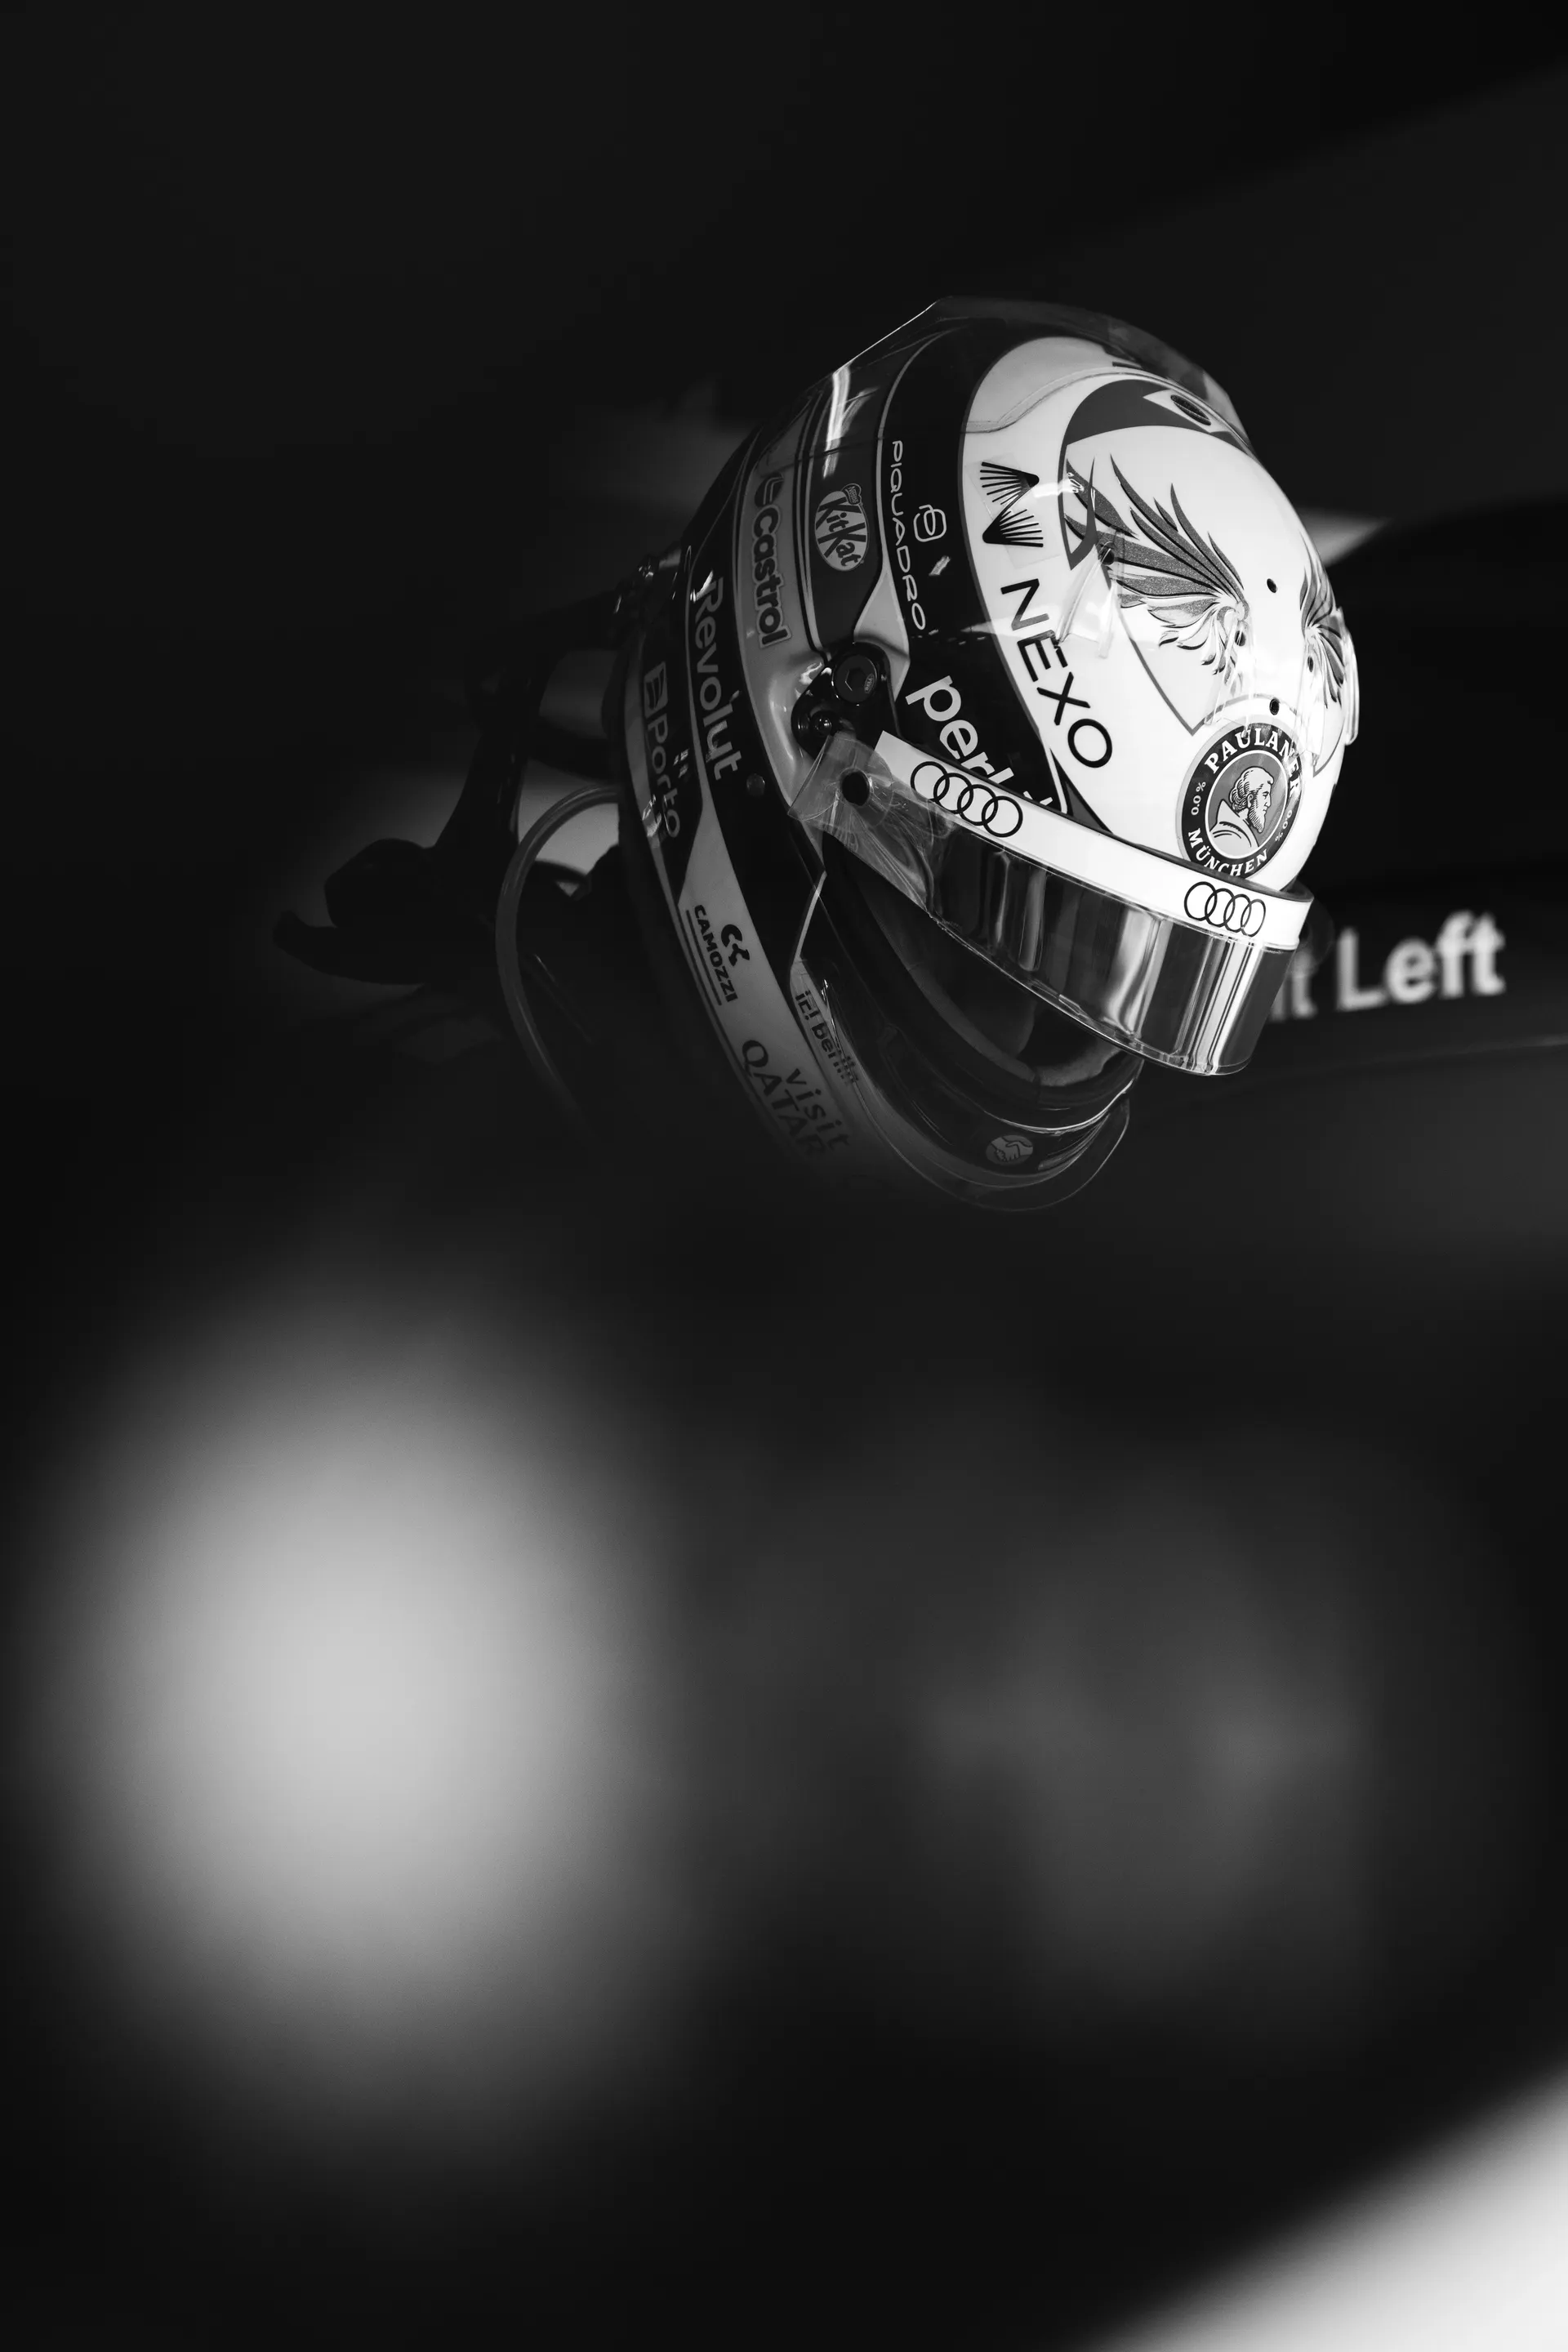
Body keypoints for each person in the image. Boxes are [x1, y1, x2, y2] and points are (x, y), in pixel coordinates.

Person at [280, 297, 1357, 1209]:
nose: (1032, 1027)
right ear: (800, 710)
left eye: (1125, 970)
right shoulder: (383, 1194)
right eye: (986, 908)